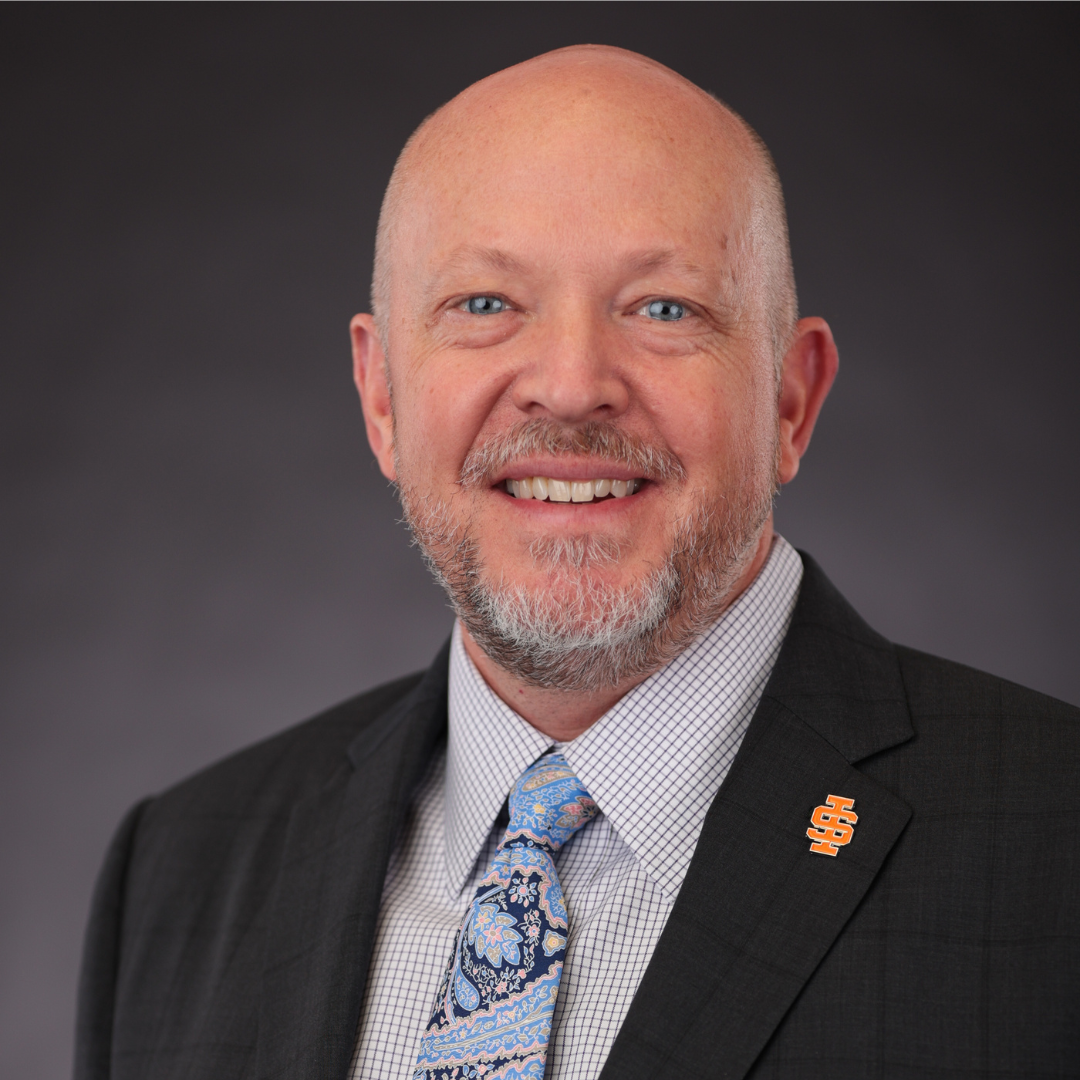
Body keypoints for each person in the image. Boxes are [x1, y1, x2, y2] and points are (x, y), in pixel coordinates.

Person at [75, 45, 1080, 1080]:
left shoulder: (1056, 843)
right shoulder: (183, 870)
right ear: (381, 398)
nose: (567, 385)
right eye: (483, 305)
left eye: (663, 308)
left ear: (791, 398)